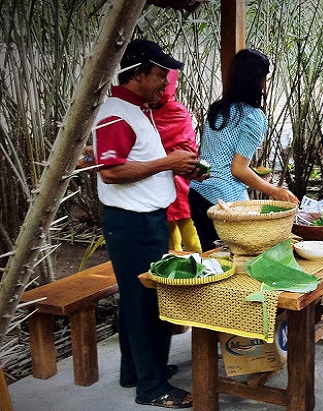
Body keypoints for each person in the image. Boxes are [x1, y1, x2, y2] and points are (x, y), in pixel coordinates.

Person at [92, 39, 200, 408]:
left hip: (143, 220)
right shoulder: (119, 113)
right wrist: (168, 163)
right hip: (133, 224)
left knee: (137, 301)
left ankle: (135, 372)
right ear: (137, 74)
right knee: (145, 301)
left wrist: (169, 163)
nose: (164, 84)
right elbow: (111, 172)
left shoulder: (134, 110)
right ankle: (152, 388)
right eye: (159, 75)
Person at [189, 48, 299, 251]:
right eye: (264, 78)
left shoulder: (217, 109)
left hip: (197, 192)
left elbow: (218, 158)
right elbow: (238, 170)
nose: (266, 84)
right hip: (225, 201)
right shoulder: (253, 117)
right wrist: (275, 191)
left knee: (214, 259)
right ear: (256, 80)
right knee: (240, 260)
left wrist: (254, 174)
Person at [152, 70, 202, 253]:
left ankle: (197, 265)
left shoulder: (175, 111)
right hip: (161, 177)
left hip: (179, 178)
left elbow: (185, 146)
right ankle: (181, 267)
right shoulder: (149, 111)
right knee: (173, 226)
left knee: (186, 229)